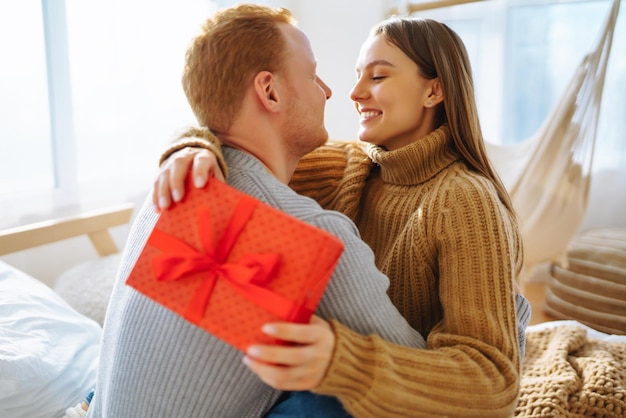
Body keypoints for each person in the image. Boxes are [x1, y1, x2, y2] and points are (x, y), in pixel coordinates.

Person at [154, 11, 532, 418]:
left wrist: (345, 363)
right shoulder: (350, 166)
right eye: (358, 75)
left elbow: (494, 384)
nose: (353, 92)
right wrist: (192, 146)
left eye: (378, 76)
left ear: (434, 91)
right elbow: (245, 135)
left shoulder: (465, 201)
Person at [85, 4, 427, 418]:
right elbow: (420, 382)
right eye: (311, 75)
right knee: (339, 395)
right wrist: (511, 313)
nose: (328, 91)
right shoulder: (309, 234)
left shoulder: (169, 189)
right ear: (270, 92)